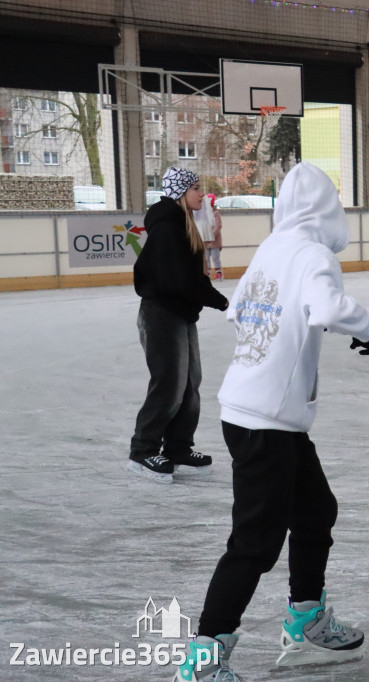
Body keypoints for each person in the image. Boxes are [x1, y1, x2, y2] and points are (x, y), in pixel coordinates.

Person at [175, 163, 369, 681]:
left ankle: (305, 620)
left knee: (316, 511)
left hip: (256, 414)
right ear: (324, 207)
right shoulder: (313, 254)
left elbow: (238, 311)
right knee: (254, 541)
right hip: (267, 419)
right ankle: (203, 660)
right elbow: (326, 307)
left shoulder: (273, 248)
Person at [127, 168, 229, 483]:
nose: (202, 194)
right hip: (161, 314)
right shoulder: (168, 229)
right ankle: (143, 451)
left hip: (180, 314)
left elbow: (191, 278)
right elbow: (180, 281)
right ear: (181, 192)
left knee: (189, 383)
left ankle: (178, 448)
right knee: (169, 384)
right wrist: (223, 302)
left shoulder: (183, 225)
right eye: (197, 188)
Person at [196, 194, 224, 280]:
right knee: (206, 257)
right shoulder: (204, 214)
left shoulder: (215, 214)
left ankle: (218, 272)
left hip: (215, 242)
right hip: (207, 241)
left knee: (215, 257)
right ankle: (207, 272)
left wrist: (212, 235)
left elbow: (218, 225)